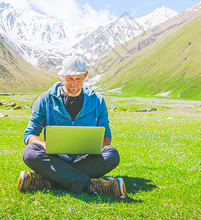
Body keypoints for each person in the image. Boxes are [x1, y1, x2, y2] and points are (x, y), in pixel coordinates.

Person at [17, 55, 127, 198]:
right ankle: (91, 186)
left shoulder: (98, 101)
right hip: (55, 157)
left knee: (111, 154)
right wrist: (45, 145)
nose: (74, 84)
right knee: (30, 152)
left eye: (78, 79)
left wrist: (96, 148)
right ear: (63, 75)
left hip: (86, 159)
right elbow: (29, 135)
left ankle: (49, 179)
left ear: (85, 75)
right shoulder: (45, 99)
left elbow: (107, 136)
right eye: (70, 79)